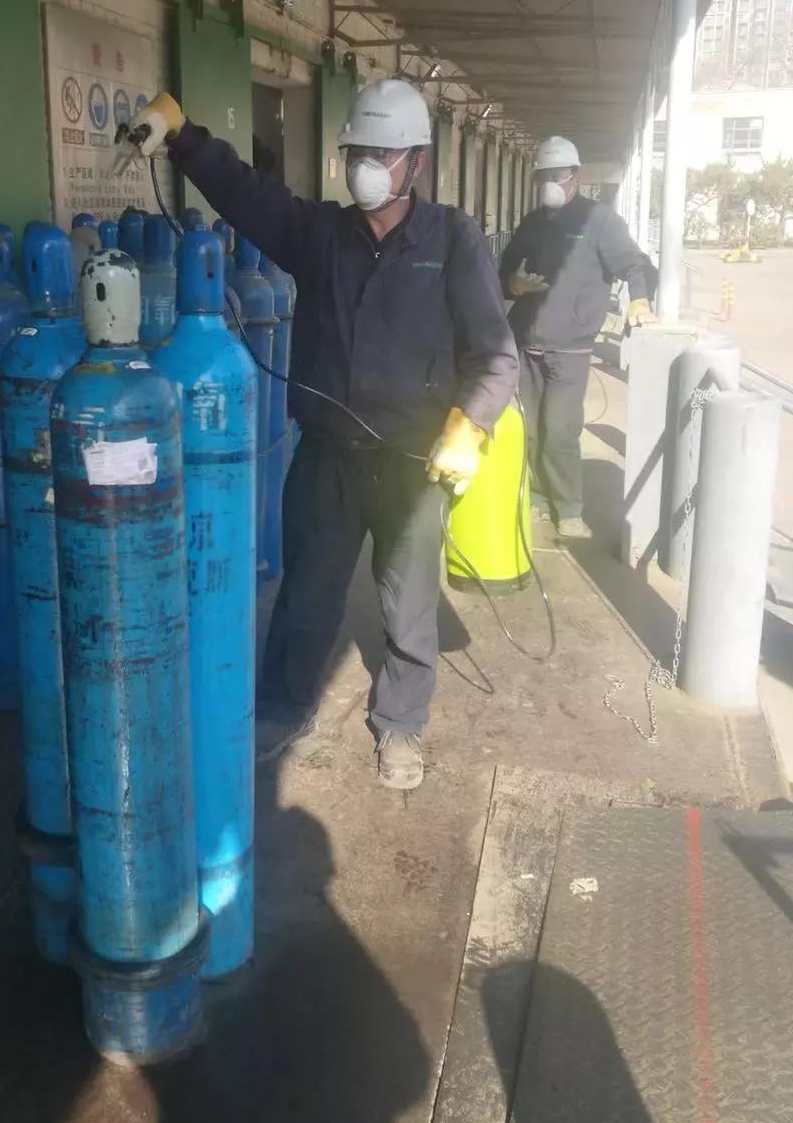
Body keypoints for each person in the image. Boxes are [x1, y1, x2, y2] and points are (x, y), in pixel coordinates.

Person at [128, 80, 518, 791]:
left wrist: (470, 424)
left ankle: (401, 723)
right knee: (307, 589)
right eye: (357, 151)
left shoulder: (453, 239)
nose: (366, 165)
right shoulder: (322, 234)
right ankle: (284, 706)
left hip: (414, 459)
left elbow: (495, 353)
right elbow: (246, 194)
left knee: (408, 601)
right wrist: (183, 137)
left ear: (417, 162)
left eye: (382, 153)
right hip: (329, 452)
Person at [499, 136, 654, 540]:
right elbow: (505, 266)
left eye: (558, 175)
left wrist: (640, 300)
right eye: (544, 176)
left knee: (560, 430)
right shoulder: (533, 222)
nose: (550, 182)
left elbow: (635, 264)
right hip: (525, 342)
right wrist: (513, 284)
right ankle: (536, 497)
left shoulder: (598, 221)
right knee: (529, 429)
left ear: (575, 177)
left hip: (570, 348)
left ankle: (568, 507)